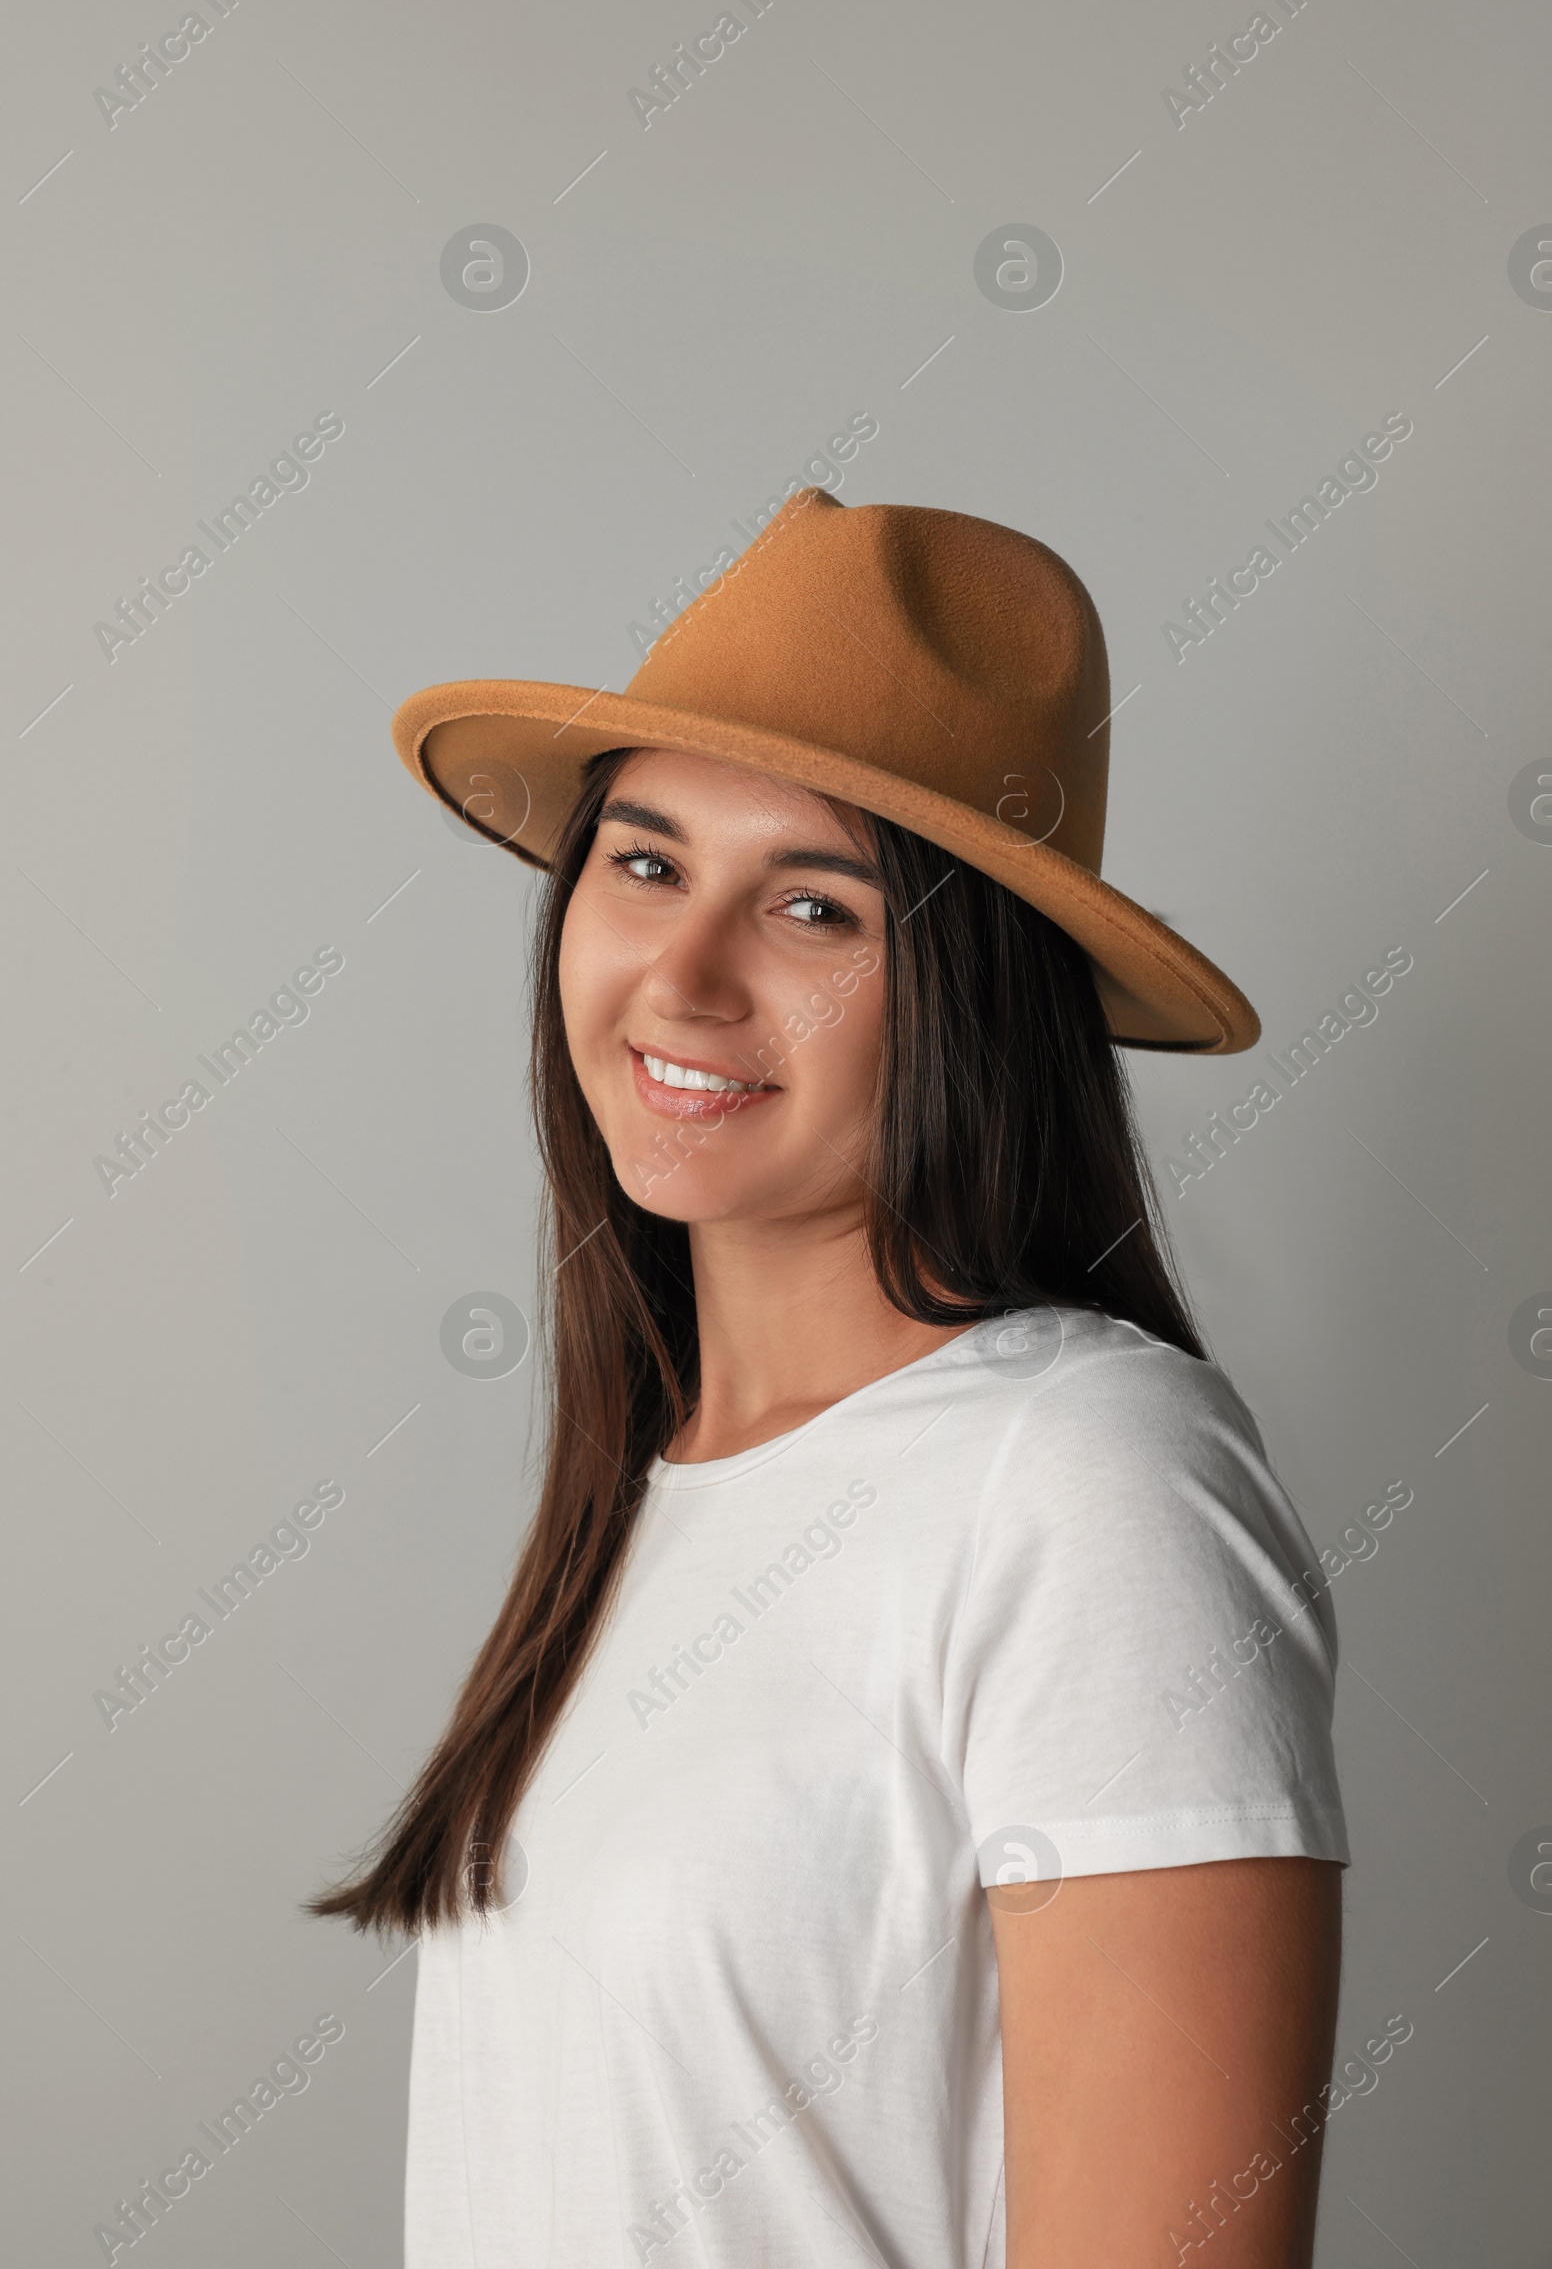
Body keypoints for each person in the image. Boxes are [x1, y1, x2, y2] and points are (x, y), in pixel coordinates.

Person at [315, 487, 1349, 2266]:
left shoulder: (1087, 1478)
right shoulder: (651, 1496)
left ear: (977, 995)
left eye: (813, 909)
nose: (684, 975)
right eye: (645, 865)